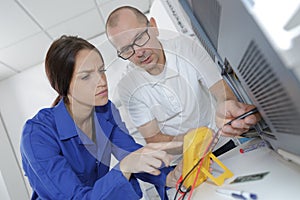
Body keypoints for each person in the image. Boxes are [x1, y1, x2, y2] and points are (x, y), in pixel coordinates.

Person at [20, 35, 183, 200]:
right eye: (86, 76)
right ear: (63, 85)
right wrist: (125, 167)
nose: (102, 81)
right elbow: (76, 197)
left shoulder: (105, 111)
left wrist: (169, 176)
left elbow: (131, 153)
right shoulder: (37, 135)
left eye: (101, 70)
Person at [105, 6, 260, 154]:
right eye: (126, 50)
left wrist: (226, 105)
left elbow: (221, 91)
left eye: (140, 37)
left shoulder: (185, 47)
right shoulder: (128, 87)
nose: (138, 52)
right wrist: (192, 141)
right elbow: (154, 140)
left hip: (222, 143)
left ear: (153, 27)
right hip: (182, 162)